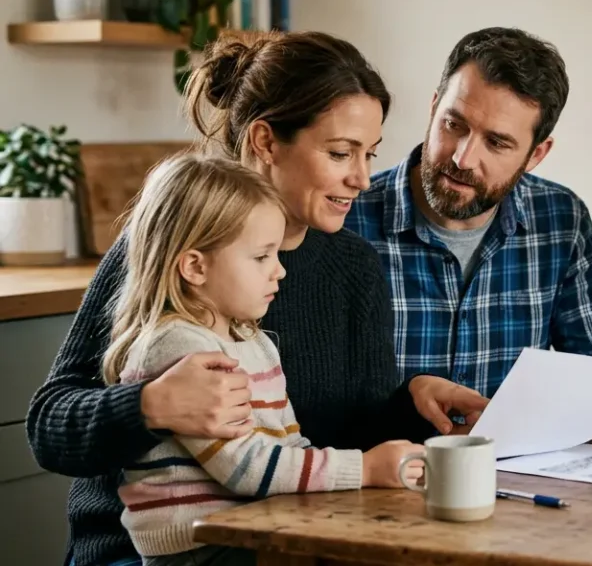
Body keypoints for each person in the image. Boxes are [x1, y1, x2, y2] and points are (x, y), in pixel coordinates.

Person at [26, 31, 459, 566]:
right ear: (265, 140)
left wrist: (412, 401)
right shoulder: (172, 244)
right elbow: (50, 426)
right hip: (145, 553)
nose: (362, 178)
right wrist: (149, 406)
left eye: (369, 154)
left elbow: (349, 438)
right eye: (340, 153)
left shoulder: (354, 267)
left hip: (277, 536)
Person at [345, 27, 592, 450]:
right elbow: (317, 393)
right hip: (376, 480)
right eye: (454, 124)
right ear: (434, 108)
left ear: (536, 154)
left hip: (514, 482)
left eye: (497, 142)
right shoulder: (346, 216)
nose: (463, 158)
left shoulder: (561, 220)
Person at [104, 154, 423, 566]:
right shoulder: (179, 348)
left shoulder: (251, 340)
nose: (280, 272)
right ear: (195, 267)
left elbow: (291, 445)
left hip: (253, 528)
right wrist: (363, 469)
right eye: (261, 257)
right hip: (199, 549)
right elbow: (248, 469)